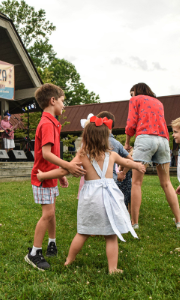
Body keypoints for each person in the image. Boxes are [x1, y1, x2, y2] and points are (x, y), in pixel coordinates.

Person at [38, 114, 144, 274]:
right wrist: (137, 165)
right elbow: (127, 161)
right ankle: (113, 268)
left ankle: (69, 260)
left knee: (83, 232)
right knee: (111, 236)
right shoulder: (112, 155)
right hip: (110, 197)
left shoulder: (82, 155)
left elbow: (63, 170)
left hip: (91, 198)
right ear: (106, 138)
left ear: (86, 137)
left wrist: (43, 176)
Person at [24, 83, 85, 271]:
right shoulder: (47, 123)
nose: (63, 105)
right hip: (42, 177)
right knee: (48, 213)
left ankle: (52, 242)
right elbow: (46, 154)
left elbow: (53, 154)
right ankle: (34, 253)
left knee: (51, 212)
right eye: (62, 101)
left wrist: (59, 175)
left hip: (51, 176)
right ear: (53, 100)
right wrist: (67, 166)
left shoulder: (51, 122)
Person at [124, 83, 180, 230]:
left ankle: (134, 223)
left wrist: (127, 143)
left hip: (145, 138)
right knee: (166, 183)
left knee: (136, 182)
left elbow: (131, 123)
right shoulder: (158, 102)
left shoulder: (135, 100)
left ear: (137, 91)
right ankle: (179, 221)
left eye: (132, 93)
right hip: (163, 140)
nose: (131, 97)